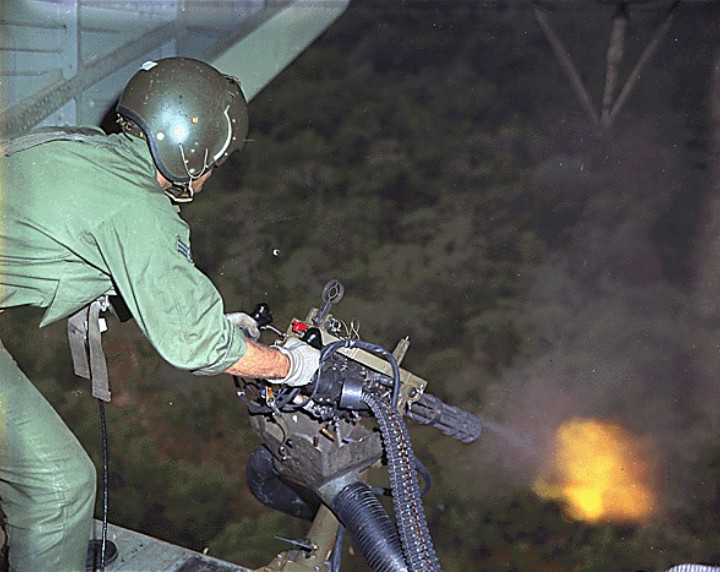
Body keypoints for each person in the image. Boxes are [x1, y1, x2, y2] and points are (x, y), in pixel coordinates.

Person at [0, 57, 320, 572]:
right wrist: (293, 366)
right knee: (59, 488)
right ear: (193, 155)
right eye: (213, 162)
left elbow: (86, 244)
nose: (212, 173)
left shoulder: (86, 149)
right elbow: (194, 343)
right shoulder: (136, 208)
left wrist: (214, 319)